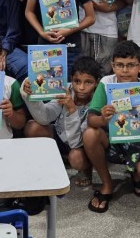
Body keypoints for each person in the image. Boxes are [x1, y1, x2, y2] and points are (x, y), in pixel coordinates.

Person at [82, 40, 140, 213]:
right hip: (112, 140)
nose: (125, 70)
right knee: (90, 134)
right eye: (119, 65)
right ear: (113, 66)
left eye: (130, 65)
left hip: (139, 144)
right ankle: (107, 184)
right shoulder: (106, 83)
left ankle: (136, 173)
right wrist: (102, 119)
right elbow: (91, 120)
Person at [21, 54, 102, 187]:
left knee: (76, 158)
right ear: (71, 79)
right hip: (60, 135)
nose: (81, 87)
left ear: (97, 82)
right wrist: (30, 95)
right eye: (77, 81)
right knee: (32, 127)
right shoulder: (65, 89)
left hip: (79, 143)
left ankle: (86, 169)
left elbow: (75, 142)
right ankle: (50, 165)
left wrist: (72, 110)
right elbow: (45, 117)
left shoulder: (98, 101)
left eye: (88, 82)